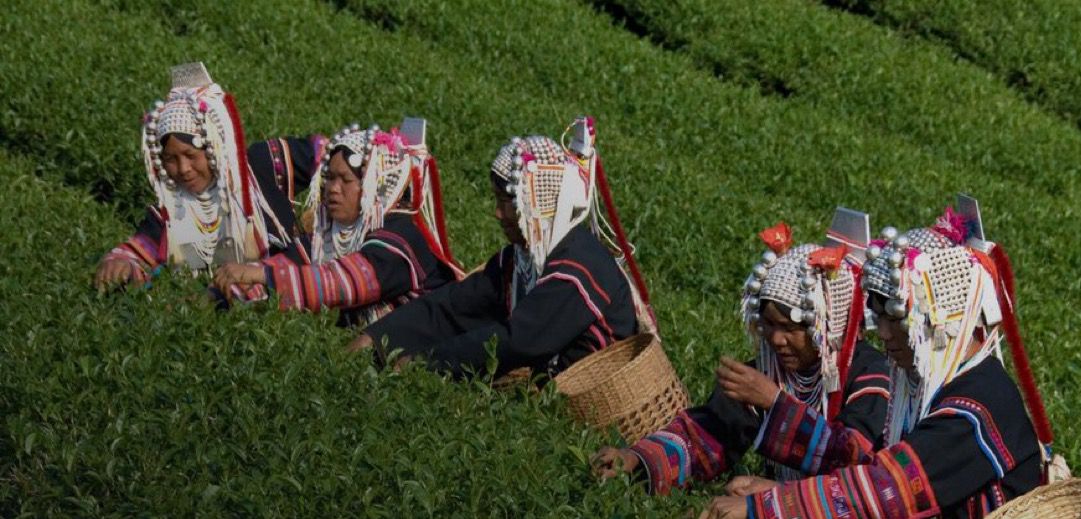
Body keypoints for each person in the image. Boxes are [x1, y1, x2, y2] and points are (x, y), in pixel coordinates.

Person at [702, 203, 1052, 519]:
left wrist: (765, 508)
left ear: (939, 319)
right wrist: (781, 491)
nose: (883, 333)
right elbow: (875, 471)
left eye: (896, 318)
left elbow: (889, 489)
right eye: (878, 316)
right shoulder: (931, 388)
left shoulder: (976, 407)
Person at [593, 214, 890, 496]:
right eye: (769, 325)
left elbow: (858, 462)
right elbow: (708, 435)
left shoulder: (871, 374)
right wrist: (637, 458)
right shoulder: (771, 372)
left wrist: (775, 404)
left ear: (828, 324)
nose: (777, 340)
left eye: (789, 328)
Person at [349, 117, 653, 379]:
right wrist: (378, 337)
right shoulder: (521, 261)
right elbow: (455, 306)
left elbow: (520, 340)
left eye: (507, 202)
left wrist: (425, 364)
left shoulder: (578, 268)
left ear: (538, 202)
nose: (498, 213)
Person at [94, 62, 319, 290]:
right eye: (171, 159)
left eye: (191, 155)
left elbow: (328, 154)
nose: (183, 169)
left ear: (216, 147)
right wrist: (120, 263)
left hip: (298, 288)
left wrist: (325, 209)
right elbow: (137, 252)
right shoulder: (170, 213)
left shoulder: (263, 164)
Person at [211, 122, 461, 327]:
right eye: (329, 178)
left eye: (345, 180)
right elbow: (287, 264)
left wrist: (263, 275)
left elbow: (345, 282)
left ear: (376, 186)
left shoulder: (402, 237)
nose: (332, 189)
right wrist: (228, 289)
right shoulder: (331, 235)